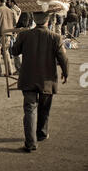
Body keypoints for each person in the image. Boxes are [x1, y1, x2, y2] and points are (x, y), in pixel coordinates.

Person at [12, 12, 69, 153]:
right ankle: (41, 133)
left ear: (34, 20)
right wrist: (65, 73)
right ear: (48, 21)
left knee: (29, 109)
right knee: (44, 108)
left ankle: (31, 143)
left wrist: (15, 38)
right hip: (47, 79)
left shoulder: (24, 35)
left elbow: (14, 51)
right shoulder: (55, 37)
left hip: (28, 77)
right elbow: (63, 58)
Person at [6, 0, 22, 74]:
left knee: (15, 49)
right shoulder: (18, 9)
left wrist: (13, 30)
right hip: (17, 31)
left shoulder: (12, 10)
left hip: (13, 30)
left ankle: (18, 68)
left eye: (9, 2)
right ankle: (19, 68)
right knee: (17, 49)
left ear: (12, 2)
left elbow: (15, 21)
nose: (8, 3)